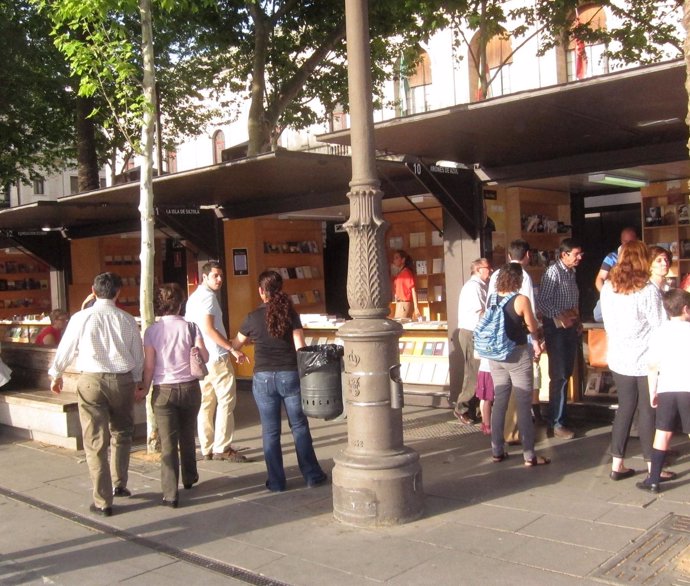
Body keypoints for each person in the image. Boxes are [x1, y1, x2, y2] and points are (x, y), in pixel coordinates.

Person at [48, 272, 145, 517]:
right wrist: (137, 381)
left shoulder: (81, 318)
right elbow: (138, 355)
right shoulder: (127, 319)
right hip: (122, 380)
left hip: (91, 380)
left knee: (95, 441)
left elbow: (66, 348)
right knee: (122, 432)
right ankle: (119, 483)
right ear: (118, 292)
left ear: (93, 290)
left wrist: (56, 374)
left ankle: (103, 500)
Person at [231, 270, 327, 492]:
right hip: (290, 375)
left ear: (261, 291)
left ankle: (276, 482)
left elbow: (236, 344)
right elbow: (300, 348)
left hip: (263, 378)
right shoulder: (291, 314)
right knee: (300, 427)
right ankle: (312, 475)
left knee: (270, 431)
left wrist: (237, 349)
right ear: (280, 289)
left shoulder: (252, 317)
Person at [600, 241, 666, 482]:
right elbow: (659, 326)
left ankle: (617, 463)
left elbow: (605, 320)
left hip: (618, 356)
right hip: (646, 358)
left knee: (625, 408)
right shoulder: (646, 289)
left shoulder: (608, 287)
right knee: (648, 409)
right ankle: (652, 465)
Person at [142, 283, 209, 508]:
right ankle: (190, 476)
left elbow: (149, 366)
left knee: (169, 444)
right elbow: (205, 357)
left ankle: (170, 493)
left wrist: (143, 387)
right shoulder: (191, 327)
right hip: (190, 388)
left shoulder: (152, 331)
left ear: (160, 305)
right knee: (188, 434)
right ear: (180, 303)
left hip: (164, 390)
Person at [185, 261, 248, 462]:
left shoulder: (193, 298)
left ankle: (207, 447)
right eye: (215, 276)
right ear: (204, 277)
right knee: (226, 401)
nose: (219, 279)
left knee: (206, 403)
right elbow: (209, 329)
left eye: (221, 275)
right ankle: (222, 446)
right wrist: (232, 349)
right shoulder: (209, 298)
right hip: (217, 357)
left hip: (202, 359)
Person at [487, 264, 548, 466]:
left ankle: (497, 450)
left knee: (500, 402)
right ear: (518, 280)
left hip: (495, 356)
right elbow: (532, 326)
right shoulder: (520, 300)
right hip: (517, 355)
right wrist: (537, 341)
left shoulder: (492, 298)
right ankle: (529, 454)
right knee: (523, 404)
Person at [638, 288, 690, 493]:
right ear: (686, 309)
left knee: (662, 433)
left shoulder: (660, 332)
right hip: (688, 388)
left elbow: (652, 366)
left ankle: (653, 479)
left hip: (667, 388)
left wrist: (653, 391)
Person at [487, 239, 544, 426]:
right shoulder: (523, 277)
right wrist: (535, 341)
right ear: (527, 255)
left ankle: (497, 445)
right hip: (518, 343)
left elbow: (489, 306)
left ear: (509, 255)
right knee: (522, 396)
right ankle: (524, 443)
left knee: (501, 398)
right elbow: (530, 315)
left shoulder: (495, 275)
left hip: (496, 344)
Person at [536, 238, 583, 439]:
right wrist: (560, 316)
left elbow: (573, 300)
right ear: (564, 254)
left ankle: (561, 416)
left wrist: (576, 319)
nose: (579, 257)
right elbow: (543, 302)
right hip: (557, 329)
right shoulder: (553, 273)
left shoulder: (571, 273)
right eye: (576, 254)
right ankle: (556, 422)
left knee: (566, 373)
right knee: (559, 376)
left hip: (570, 327)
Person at [454, 258, 492, 424]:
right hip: (471, 332)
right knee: (473, 372)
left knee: (480, 371)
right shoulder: (473, 287)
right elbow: (481, 311)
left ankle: (474, 408)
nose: (490, 271)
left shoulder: (482, 286)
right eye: (487, 268)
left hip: (478, 332)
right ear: (478, 269)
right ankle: (462, 407)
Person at [594, 227, 638, 293]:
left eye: (631, 242)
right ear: (621, 240)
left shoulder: (641, 257)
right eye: (625, 241)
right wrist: (605, 295)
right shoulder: (611, 257)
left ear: (637, 240)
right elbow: (600, 278)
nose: (628, 245)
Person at [391, 250, 420, 319]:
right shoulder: (400, 273)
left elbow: (413, 289)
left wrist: (416, 308)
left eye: (397, 258)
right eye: (394, 258)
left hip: (404, 304)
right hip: (400, 303)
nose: (394, 260)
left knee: (401, 326)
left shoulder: (406, 272)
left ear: (403, 260)